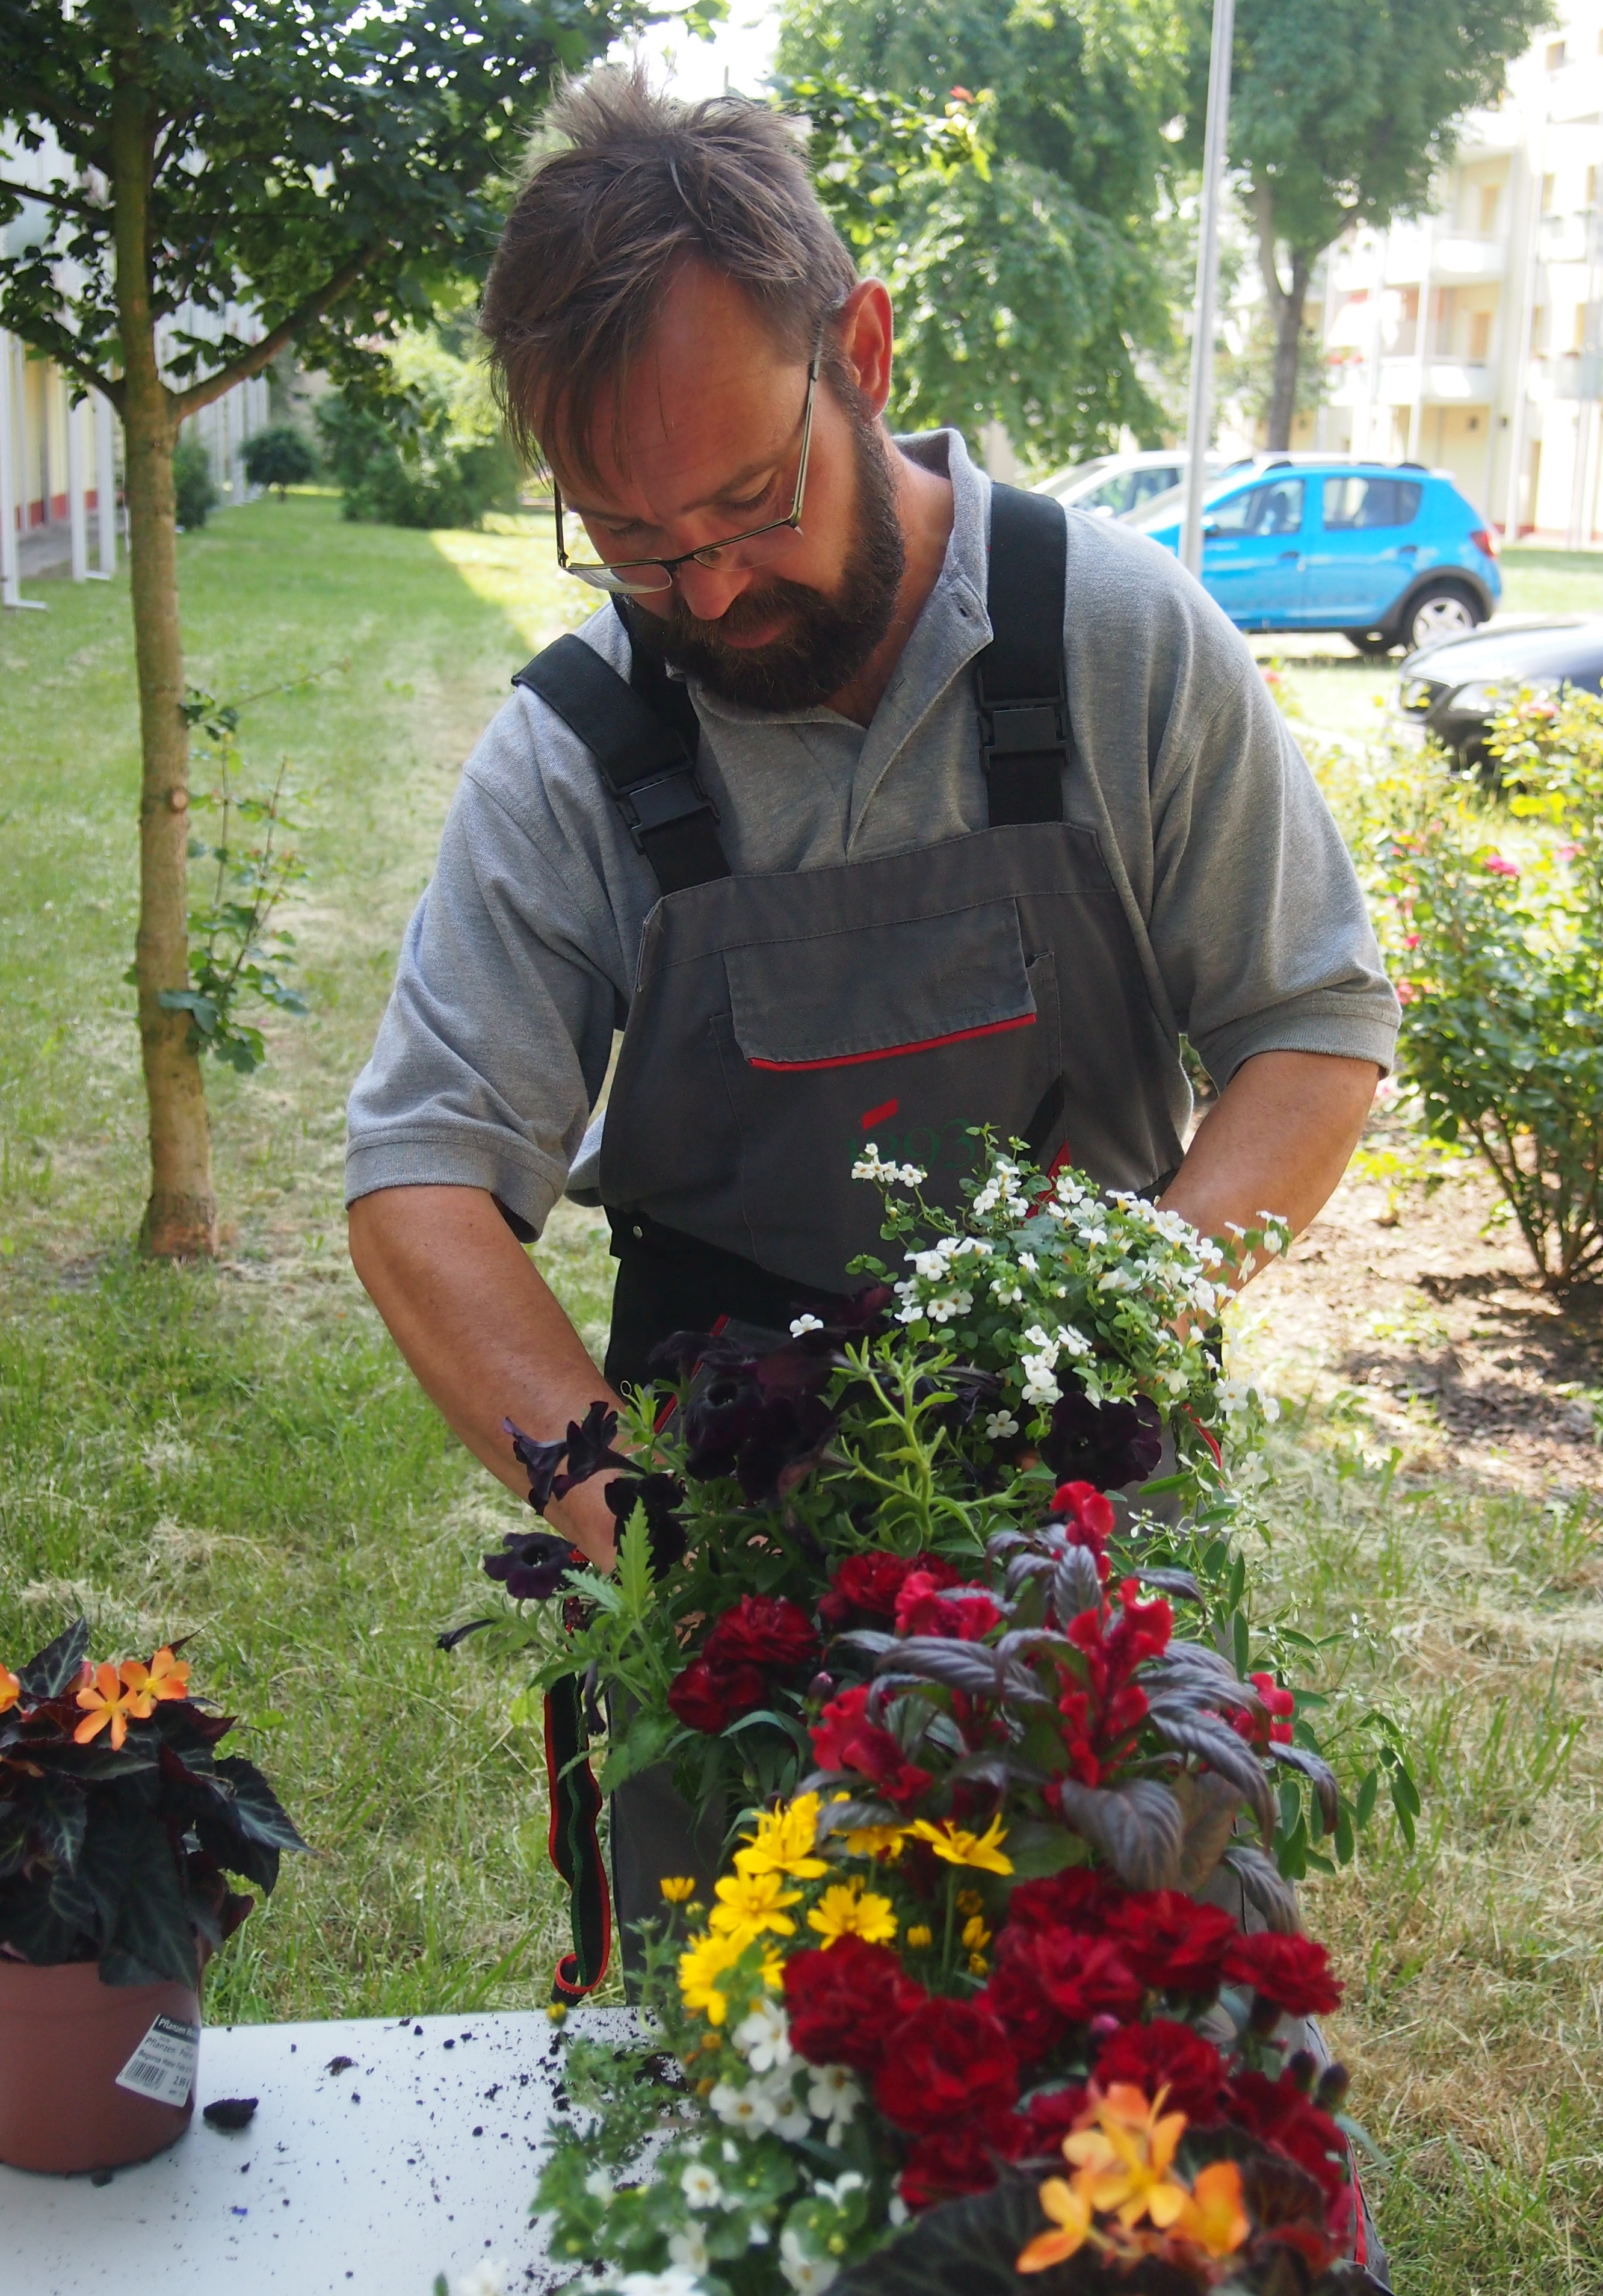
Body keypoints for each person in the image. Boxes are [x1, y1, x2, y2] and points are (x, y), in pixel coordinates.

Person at [344, 71, 1398, 1920]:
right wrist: (651, 1542)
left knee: (1133, 2074)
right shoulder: (576, 752)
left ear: (865, 349)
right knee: (737, 2101)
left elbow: (1311, 1027)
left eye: (754, 499)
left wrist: (1116, 1326)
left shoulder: (1119, 640)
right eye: (634, 538)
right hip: (727, 1542)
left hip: (1092, 1535)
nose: (711, 584)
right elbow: (419, 1187)